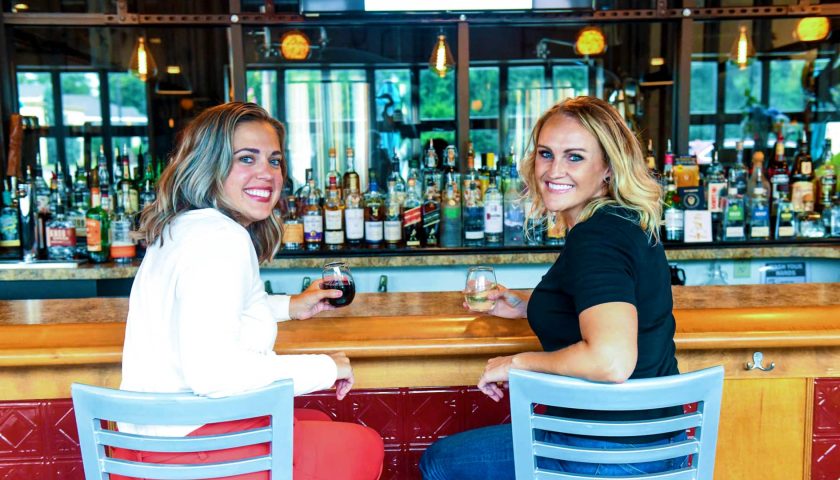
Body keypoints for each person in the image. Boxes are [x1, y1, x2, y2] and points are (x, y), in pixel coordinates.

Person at [419, 96, 685, 478]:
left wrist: (517, 364)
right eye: (546, 153)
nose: (554, 170)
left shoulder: (596, 239)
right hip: (652, 441)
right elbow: (614, 305)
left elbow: (611, 361)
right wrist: (528, 306)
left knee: (442, 462)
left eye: (574, 157)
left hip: (607, 451)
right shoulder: (624, 222)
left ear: (607, 167)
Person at [116, 102, 384, 480]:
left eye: (274, 161)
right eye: (246, 159)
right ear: (207, 166)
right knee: (362, 444)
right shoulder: (222, 238)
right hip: (191, 453)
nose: (267, 174)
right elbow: (215, 372)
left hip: (150, 444)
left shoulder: (184, 228)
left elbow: (201, 308)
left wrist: (290, 306)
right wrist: (328, 366)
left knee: (316, 420)